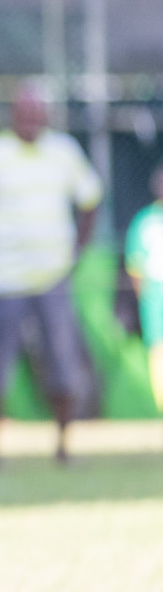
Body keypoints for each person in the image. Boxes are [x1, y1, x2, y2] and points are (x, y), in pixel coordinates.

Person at [0, 82, 103, 464]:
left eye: (36, 114)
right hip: (8, 280)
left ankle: (63, 444)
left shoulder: (63, 151)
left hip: (54, 276)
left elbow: (91, 199)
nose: (30, 121)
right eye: (24, 114)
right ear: (13, 114)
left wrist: (77, 248)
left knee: (62, 360)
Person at [125, 162, 163, 415]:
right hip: (156, 294)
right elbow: (135, 266)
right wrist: (144, 297)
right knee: (158, 351)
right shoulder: (145, 220)